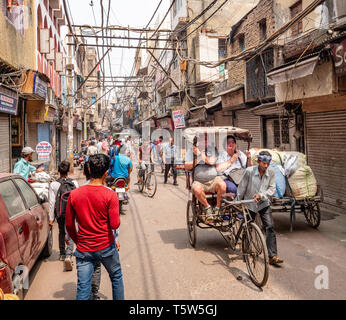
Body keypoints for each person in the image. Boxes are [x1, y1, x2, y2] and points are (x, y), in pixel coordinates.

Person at [66, 154, 124, 300]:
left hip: (84, 249)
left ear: (89, 169)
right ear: (106, 172)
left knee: (83, 288)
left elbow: (69, 225)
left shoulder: (74, 194)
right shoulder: (110, 195)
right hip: (106, 247)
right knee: (116, 277)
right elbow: (115, 224)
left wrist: (78, 241)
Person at [236, 150, 284, 266]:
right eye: (263, 163)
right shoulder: (249, 171)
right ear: (258, 162)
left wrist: (261, 195)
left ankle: (272, 256)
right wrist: (238, 201)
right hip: (250, 204)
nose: (266, 166)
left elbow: (272, 189)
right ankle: (246, 251)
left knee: (270, 227)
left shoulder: (271, 172)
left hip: (263, 203)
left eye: (268, 163)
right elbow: (242, 187)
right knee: (247, 226)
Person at [184, 134, 226, 221]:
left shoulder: (212, 149)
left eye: (206, 139)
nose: (205, 141)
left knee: (222, 185)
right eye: (202, 139)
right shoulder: (191, 151)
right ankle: (207, 207)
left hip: (214, 179)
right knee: (196, 189)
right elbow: (187, 166)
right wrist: (199, 159)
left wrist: (199, 154)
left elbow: (211, 162)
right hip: (199, 181)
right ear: (198, 141)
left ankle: (218, 208)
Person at [48, 160, 79, 271]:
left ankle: (62, 253)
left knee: (61, 231)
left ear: (58, 170)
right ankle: (69, 254)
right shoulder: (74, 183)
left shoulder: (54, 184)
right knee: (70, 231)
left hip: (60, 212)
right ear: (68, 170)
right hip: (72, 212)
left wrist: (51, 219)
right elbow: (78, 199)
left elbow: (52, 202)